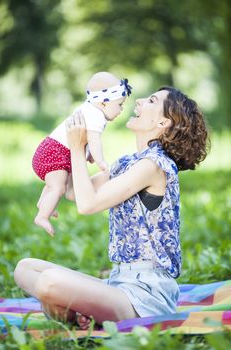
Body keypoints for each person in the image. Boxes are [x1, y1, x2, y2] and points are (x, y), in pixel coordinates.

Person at [14, 86, 209, 330]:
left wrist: (77, 147)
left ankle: (72, 311)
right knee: (25, 268)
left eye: (150, 100)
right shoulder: (129, 162)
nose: (138, 102)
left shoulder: (153, 165)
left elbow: (88, 205)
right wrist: (73, 146)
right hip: (118, 283)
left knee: (48, 284)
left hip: (146, 296)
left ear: (163, 122)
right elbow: (75, 192)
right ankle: (78, 312)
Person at [32, 72, 132, 236]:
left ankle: (44, 203)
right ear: (104, 102)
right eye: (120, 104)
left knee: (63, 188)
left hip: (55, 151)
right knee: (57, 187)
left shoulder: (90, 109)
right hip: (55, 153)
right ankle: (42, 216)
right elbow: (94, 140)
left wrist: (89, 154)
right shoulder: (97, 115)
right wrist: (100, 161)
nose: (121, 109)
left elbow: (85, 140)